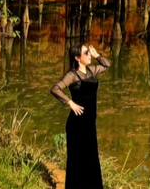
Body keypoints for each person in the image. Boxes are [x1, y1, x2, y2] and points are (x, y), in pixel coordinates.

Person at [50, 44, 110, 189]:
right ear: (77, 58)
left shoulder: (91, 71)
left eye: (89, 52)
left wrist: (97, 56)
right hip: (77, 124)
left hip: (90, 123)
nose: (89, 54)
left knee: (91, 158)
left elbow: (107, 65)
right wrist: (70, 102)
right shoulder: (72, 75)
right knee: (77, 160)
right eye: (86, 53)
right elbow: (55, 89)